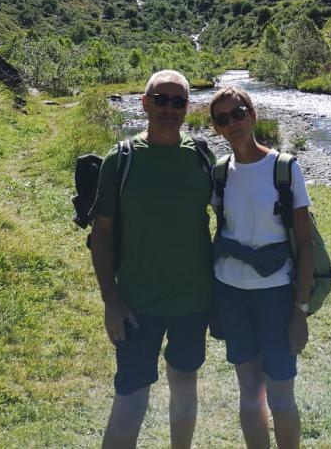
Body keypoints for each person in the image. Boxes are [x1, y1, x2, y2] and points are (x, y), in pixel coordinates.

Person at [91, 70, 215, 449]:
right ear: (144, 103)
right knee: (131, 395)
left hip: (193, 301)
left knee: (184, 383)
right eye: (161, 99)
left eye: (178, 101)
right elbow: (102, 234)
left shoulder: (201, 156)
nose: (169, 108)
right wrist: (111, 300)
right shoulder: (122, 158)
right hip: (135, 303)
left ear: (187, 108)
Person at [209, 86, 313, 449]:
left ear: (253, 114)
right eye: (222, 119)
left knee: (281, 398)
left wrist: (300, 311)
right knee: (250, 396)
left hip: (277, 298)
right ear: (217, 128)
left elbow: (305, 243)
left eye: (238, 112)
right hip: (231, 295)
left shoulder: (284, 169)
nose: (232, 122)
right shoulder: (219, 173)